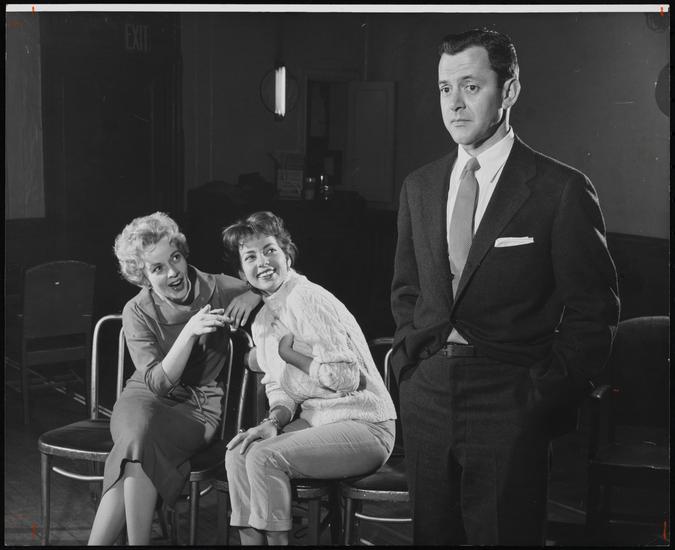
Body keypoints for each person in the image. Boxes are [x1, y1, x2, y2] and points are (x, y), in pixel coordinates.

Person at [391, 29, 620, 545]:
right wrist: (408, 366)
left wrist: (539, 396)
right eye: (445, 88)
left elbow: (594, 312)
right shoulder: (419, 187)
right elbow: (407, 291)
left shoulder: (559, 189)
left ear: (509, 90)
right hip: (427, 394)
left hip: (511, 399)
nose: (454, 103)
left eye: (471, 86)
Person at [221, 211, 397, 546]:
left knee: (263, 457)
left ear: (287, 256)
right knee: (239, 454)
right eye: (251, 257)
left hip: (366, 425)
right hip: (319, 423)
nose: (263, 262)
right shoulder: (262, 321)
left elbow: (346, 377)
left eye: (270, 250)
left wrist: (293, 356)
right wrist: (273, 421)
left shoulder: (305, 297)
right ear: (243, 273)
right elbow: (278, 387)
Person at [88, 212, 261, 545]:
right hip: (144, 397)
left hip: (199, 406)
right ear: (143, 277)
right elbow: (157, 383)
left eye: (175, 258)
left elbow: (280, 282)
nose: (173, 272)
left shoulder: (218, 288)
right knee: (138, 437)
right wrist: (190, 333)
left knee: (136, 448)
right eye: (157, 268)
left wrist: (254, 293)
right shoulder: (137, 310)